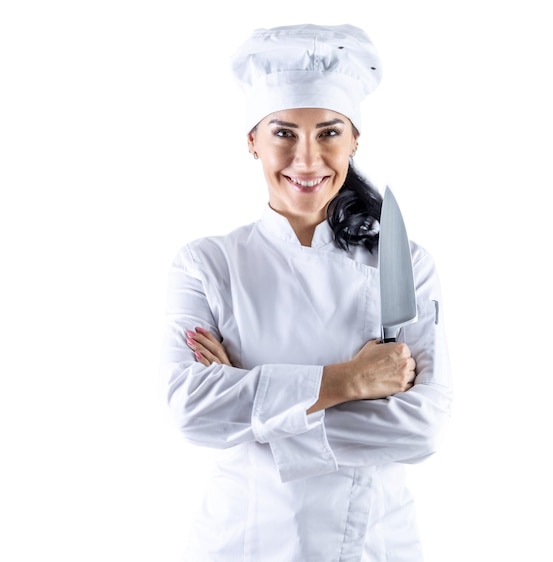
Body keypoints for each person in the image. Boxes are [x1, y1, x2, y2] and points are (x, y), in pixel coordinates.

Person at [160, 23, 453, 561]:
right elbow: (193, 410)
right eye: (283, 132)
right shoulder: (207, 265)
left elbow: (421, 429)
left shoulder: (403, 263)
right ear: (252, 141)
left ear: (355, 140)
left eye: (328, 132)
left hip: (372, 544)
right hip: (245, 542)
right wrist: (352, 380)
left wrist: (253, 405)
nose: (307, 158)